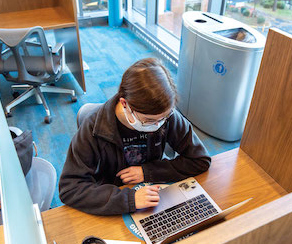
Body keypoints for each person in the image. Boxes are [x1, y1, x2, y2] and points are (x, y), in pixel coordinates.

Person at [59, 58, 211, 215]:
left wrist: (148, 172)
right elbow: (70, 188)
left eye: (163, 118)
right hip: (112, 196)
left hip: (153, 191)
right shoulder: (93, 129)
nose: (158, 125)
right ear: (125, 104)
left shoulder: (167, 115)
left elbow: (200, 159)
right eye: (149, 121)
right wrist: (129, 199)